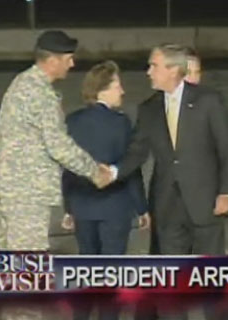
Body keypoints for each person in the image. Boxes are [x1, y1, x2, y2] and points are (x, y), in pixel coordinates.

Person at [103, 43, 228, 320]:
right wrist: (113, 173)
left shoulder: (208, 100)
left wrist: (226, 191)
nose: (148, 71)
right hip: (167, 206)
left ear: (174, 70)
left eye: (154, 65)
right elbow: (137, 152)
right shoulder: (149, 108)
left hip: (206, 202)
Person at [0, 30, 108, 253]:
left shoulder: (23, 82)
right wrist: (94, 172)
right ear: (52, 60)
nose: (72, 64)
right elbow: (58, 145)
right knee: (28, 267)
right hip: (27, 194)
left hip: (12, 189)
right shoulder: (40, 93)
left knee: (12, 265)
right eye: (67, 59)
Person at [61, 61, 150, 320]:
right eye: (117, 86)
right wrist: (141, 207)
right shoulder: (121, 123)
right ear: (102, 90)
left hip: (82, 205)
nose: (122, 91)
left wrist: (69, 207)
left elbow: (68, 169)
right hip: (115, 208)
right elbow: (130, 168)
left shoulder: (72, 121)